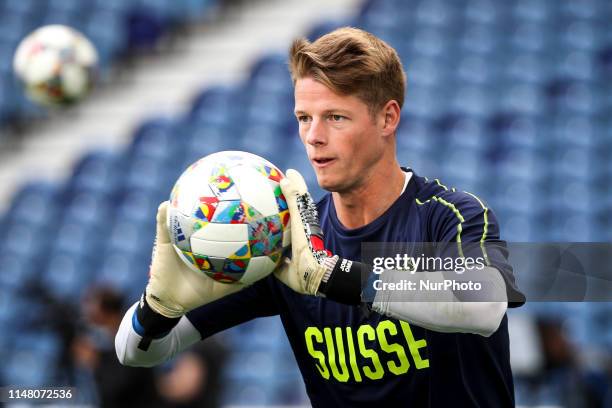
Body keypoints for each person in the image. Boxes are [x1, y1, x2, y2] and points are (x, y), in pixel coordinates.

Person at [116, 27, 525, 407]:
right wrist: (157, 309)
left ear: (388, 118)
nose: (314, 136)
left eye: (335, 117)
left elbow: (485, 306)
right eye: (304, 118)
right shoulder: (281, 241)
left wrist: (334, 276)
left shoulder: (450, 215)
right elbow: (136, 353)